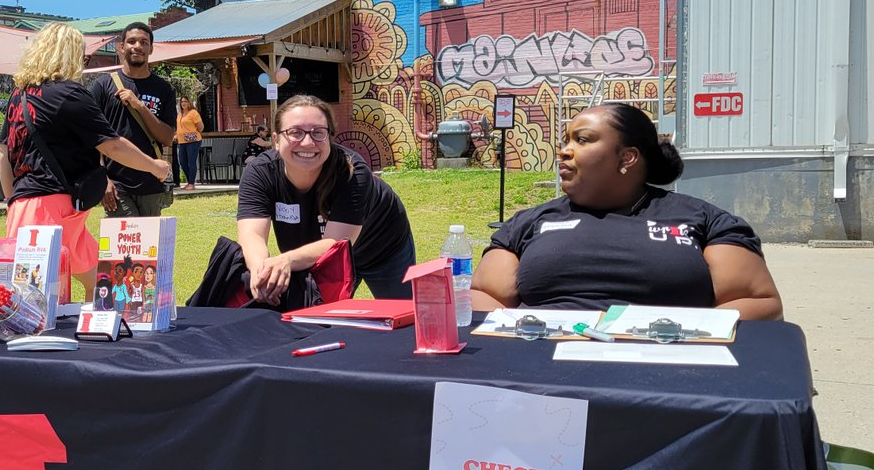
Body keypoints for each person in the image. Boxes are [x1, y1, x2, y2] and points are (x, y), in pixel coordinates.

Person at [468, 102, 783, 319]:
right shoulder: (527, 224)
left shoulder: (704, 221)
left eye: (583, 140)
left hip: (666, 375)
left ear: (627, 158)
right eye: (566, 140)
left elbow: (759, 303)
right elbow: (486, 296)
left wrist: (677, 340)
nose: (564, 150)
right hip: (543, 371)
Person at [0, 22, 169, 300]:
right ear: (68, 54)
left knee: (100, 282)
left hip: (24, 205)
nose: (83, 60)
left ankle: (87, 331)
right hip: (56, 207)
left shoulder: (19, 95)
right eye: (81, 53)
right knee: (40, 296)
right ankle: (83, 334)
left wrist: (11, 200)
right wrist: (154, 166)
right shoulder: (69, 94)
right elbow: (112, 144)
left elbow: (3, 153)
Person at [236, 94, 416, 303]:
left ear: (330, 137)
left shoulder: (352, 172)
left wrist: (286, 259)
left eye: (318, 133)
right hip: (313, 254)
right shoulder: (260, 172)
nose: (307, 142)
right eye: (295, 132)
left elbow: (335, 243)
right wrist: (261, 269)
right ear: (275, 140)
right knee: (316, 321)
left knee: (403, 320)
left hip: (383, 249)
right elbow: (252, 234)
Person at [87, 22, 176, 217]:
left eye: (144, 42)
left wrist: (140, 106)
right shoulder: (103, 86)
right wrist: (103, 179)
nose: (138, 46)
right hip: (117, 185)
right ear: (121, 47)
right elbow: (91, 138)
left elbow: (168, 138)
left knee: (152, 247)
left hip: (152, 182)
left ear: (151, 49)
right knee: (126, 245)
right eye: (132, 41)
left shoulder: (163, 89)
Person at [174, 95, 204, 191]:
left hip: (193, 141)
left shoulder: (193, 113)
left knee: (191, 162)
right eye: (182, 101)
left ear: (189, 102)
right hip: (182, 141)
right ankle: (189, 181)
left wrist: (192, 133)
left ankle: (191, 183)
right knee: (182, 162)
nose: (183, 103)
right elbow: (178, 128)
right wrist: (176, 135)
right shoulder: (179, 115)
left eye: (185, 101)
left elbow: (200, 127)